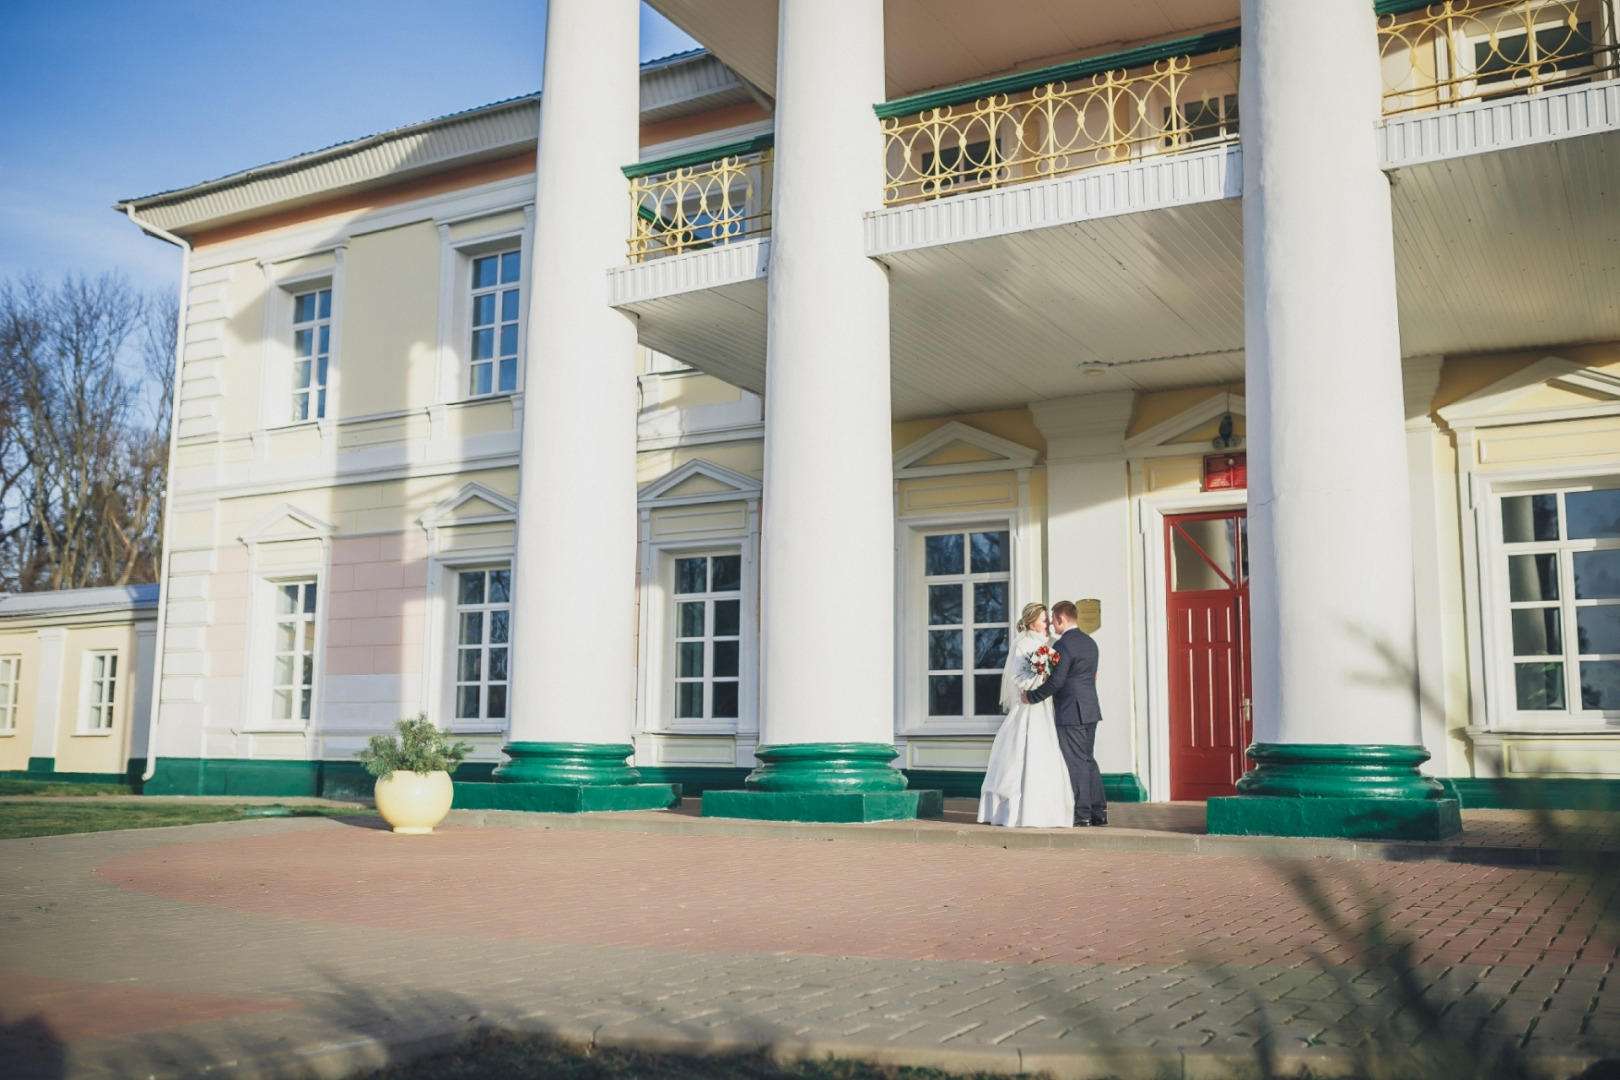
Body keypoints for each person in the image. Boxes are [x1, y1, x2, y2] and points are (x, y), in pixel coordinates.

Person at [977, 602, 1076, 828]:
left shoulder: (1053, 644)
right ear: (1032, 623)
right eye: (1044, 620)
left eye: (1049, 620)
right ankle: (1018, 812)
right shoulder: (1023, 644)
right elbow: (1019, 679)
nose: (1049, 624)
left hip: (1048, 707)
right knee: (1023, 755)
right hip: (1029, 707)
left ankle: (1050, 812)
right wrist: (1042, 674)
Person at [1022, 599, 1107, 826]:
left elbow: (1056, 683)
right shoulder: (1090, 643)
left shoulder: (1063, 646)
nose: (1051, 623)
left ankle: (1082, 815)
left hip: (1071, 712)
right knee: (1089, 760)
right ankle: (1099, 812)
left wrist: (1032, 696)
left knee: (1076, 763)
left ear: (1061, 619)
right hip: (1091, 710)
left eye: (1053, 619)